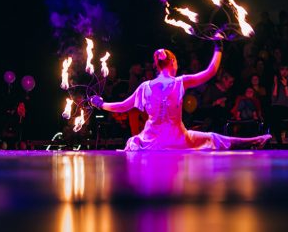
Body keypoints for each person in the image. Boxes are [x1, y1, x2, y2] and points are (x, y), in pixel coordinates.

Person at [90, 41, 271, 151]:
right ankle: (253, 141)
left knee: (211, 138)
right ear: (172, 63)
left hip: (149, 142)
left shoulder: (145, 87)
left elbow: (122, 106)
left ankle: (253, 141)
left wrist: (101, 104)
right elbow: (211, 72)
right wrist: (218, 48)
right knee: (213, 138)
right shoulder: (179, 82)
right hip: (178, 140)